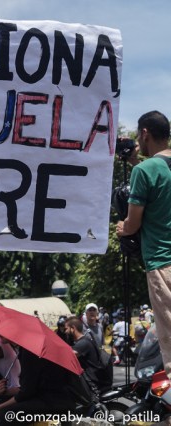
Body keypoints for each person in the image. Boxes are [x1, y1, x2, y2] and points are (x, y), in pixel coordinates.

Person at [117, 110, 171, 378]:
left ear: (145, 133)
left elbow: (133, 224)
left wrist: (121, 228)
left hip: (163, 264)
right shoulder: (152, 167)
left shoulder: (143, 171)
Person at [65, 316, 112, 393]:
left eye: (66, 329)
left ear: (73, 328)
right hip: (90, 381)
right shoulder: (84, 341)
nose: (65, 332)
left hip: (92, 384)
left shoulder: (83, 343)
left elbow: (68, 355)